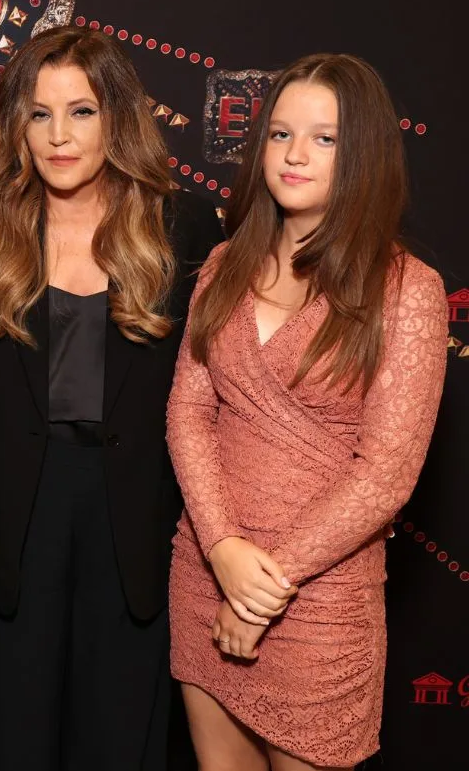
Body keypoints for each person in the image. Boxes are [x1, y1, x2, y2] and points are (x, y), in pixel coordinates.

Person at [0, 26, 224, 771]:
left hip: (132, 514)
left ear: (118, 118)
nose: (59, 136)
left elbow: (225, 388)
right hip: (14, 514)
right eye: (39, 114)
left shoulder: (182, 228)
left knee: (116, 734)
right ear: (17, 125)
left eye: (82, 111)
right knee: (10, 733)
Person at [166, 53, 447, 770]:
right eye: (280, 133)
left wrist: (261, 586)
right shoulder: (226, 262)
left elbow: (387, 473)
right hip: (205, 569)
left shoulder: (406, 289)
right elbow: (188, 413)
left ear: (364, 155)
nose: (294, 154)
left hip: (318, 599)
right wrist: (223, 549)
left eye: (325, 139)